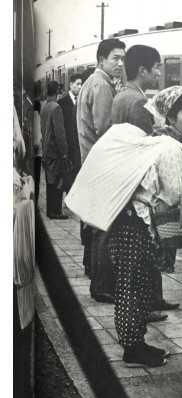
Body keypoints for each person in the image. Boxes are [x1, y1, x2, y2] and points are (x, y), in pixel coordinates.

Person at [106, 86, 182, 367]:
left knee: (138, 285)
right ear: (171, 115)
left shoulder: (161, 139)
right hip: (135, 225)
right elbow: (174, 196)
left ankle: (137, 344)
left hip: (133, 222)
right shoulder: (171, 147)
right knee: (132, 286)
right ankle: (132, 349)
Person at [111, 45, 178, 319]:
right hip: (137, 193)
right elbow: (145, 149)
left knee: (133, 267)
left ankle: (147, 304)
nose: (160, 72)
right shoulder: (138, 102)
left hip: (124, 187)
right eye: (157, 67)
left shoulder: (121, 96)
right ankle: (143, 311)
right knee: (139, 261)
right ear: (143, 70)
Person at [76, 38, 125, 302]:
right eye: (115, 58)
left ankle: (100, 284)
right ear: (101, 60)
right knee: (105, 230)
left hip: (93, 164)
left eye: (123, 58)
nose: (120, 63)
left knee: (98, 228)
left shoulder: (91, 83)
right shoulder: (102, 85)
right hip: (103, 165)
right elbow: (106, 130)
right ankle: (103, 286)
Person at [40, 81, 69, 219]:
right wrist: (64, 153)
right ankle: (56, 211)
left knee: (50, 182)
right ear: (57, 91)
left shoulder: (45, 107)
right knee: (57, 182)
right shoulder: (56, 107)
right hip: (55, 152)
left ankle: (50, 211)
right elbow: (60, 133)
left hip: (46, 151)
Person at [58, 74, 82, 188]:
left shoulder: (81, 101)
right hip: (68, 145)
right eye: (78, 84)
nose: (80, 87)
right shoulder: (62, 103)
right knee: (69, 176)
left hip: (78, 145)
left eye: (81, 84)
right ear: (71, 85)